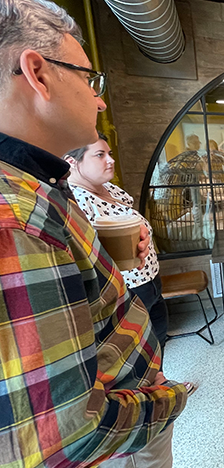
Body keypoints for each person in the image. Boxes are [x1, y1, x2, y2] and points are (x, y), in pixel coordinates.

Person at [0, 0, 191, 468]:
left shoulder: (36, 185)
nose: (100, 97)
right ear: (37, 73)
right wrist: (168, 400)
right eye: (89, 79)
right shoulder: (16, 217)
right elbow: (58, 443)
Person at [64, 133, 168, 358]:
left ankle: (161, 383)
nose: (110, 160)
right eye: (100, 155)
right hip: (126, 287)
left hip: (148, 276)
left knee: (158, 337)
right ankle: (147, 389)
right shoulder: (78, 203)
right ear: (73, 162)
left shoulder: (107, 188)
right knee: (136, 349)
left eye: (109, 153)